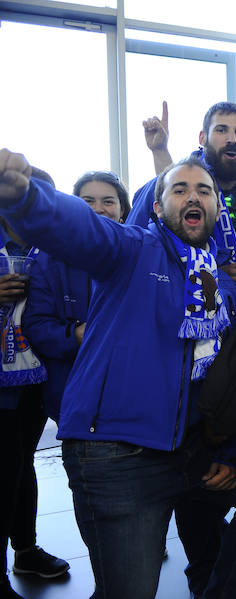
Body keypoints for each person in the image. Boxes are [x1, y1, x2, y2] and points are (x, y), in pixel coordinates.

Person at [0, 149, 236, 599]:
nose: (194, 196)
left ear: (215, 206)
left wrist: (230, 449)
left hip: (190, 448)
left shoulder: (220, 283)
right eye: (180, 189)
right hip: (116, 454)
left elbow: (221, 376)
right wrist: (27, 197)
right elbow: (80, 228)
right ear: (157, 205)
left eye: (204, 190)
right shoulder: (131, 248)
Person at [0, 167, 69, 599]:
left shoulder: (53, 247)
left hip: (36, 375)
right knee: (5, 472)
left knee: (22, 467)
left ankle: (24, 550)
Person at [24, 171, 131, 424]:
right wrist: (76, 334)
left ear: (122, 210)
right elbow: (36, 326)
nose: (99, 209)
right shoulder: (49, 259)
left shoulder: (140, 255)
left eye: (108, 201)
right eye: (88, 202)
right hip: (74, 397)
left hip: (132, 393)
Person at [130, 101, 236, 293]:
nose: (232, 139)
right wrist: (217, 275)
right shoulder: (160, 188)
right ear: (202, 138)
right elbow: (136, 257)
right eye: (221, 130)